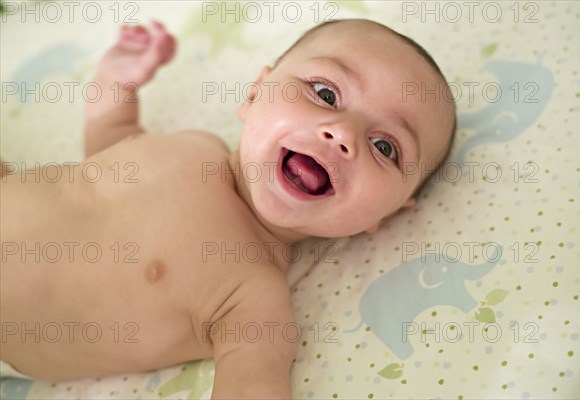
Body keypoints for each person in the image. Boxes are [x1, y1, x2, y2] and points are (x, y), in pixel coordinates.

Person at [0, 19, 455, 399]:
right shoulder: (194, 146)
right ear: (256, 92)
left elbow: (251, 386)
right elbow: (106, 158)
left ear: (386, 215)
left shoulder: (252, 298)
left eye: (384, 147)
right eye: (325, 93)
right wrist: (114, 86)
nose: (342, 132)